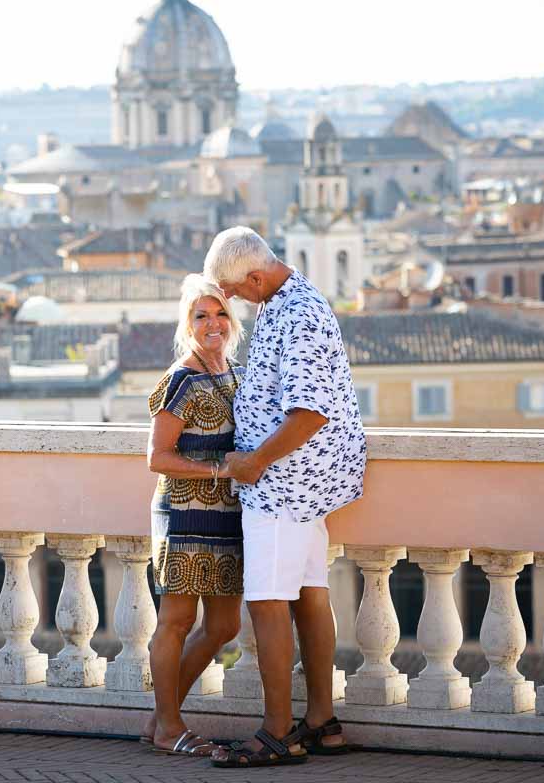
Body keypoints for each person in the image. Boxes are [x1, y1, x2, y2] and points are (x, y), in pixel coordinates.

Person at [203, 227, 367, 769]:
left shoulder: (296, 314)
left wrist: (253, 461)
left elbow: (310, 411)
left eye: (233, 291)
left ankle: (278, 732)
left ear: (254, 276)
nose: (232, 302)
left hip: (285, 483)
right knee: (310, 595)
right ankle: (321, 721)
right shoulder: (287, 301)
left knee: (268, 601)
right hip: (305, 483)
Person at [141, 273, 245, 757]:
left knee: (225, 626)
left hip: (225, 518)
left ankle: (160, 720)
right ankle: (169, 727)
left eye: (220, 312)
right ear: (188, 324)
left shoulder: (232, 373)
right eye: (201, 315)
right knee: (177, 622)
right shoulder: (182, 378)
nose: (213, 323)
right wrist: (218, 470)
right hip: (183, 515)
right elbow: (157, 456)